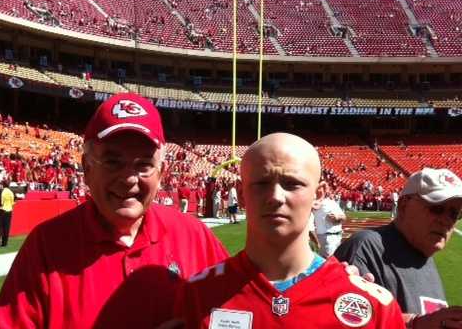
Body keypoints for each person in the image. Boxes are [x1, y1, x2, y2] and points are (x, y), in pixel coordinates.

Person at [0, 93, 229, 328]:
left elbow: (240, 312)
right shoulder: (46, 247)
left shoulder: (194, 236)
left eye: (144, 165)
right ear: (87, 168)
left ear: (162, 172)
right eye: (113, 162)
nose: (128, 179)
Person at [173, 133, 404, 328]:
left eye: (292, 184)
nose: (275, 197)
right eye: (262, 183)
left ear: (319, 194)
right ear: (242, 195)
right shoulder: (197, 295)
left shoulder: (374, 307)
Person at [334, 168, 462, 329]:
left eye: (454, 213)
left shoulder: (424, 258)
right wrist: (416, 323)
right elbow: (341, 322)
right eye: (436, 208)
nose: (446, 221)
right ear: (403, 205)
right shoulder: (368, 247)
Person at [313, 190, 346, 257]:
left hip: (338, 236)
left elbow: (344, 217)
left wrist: (337, 217)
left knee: (336, 259)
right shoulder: (314, 204)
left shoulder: (332, 202)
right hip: (326, 237)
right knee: (328, 261)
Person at [0, 180, 15, 247]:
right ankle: (5, 243)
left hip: (2, 210)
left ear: (3, 184)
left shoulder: (1, 191)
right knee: (7, 227)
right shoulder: (11, 192)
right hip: (9, 211)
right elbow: (13, 203)